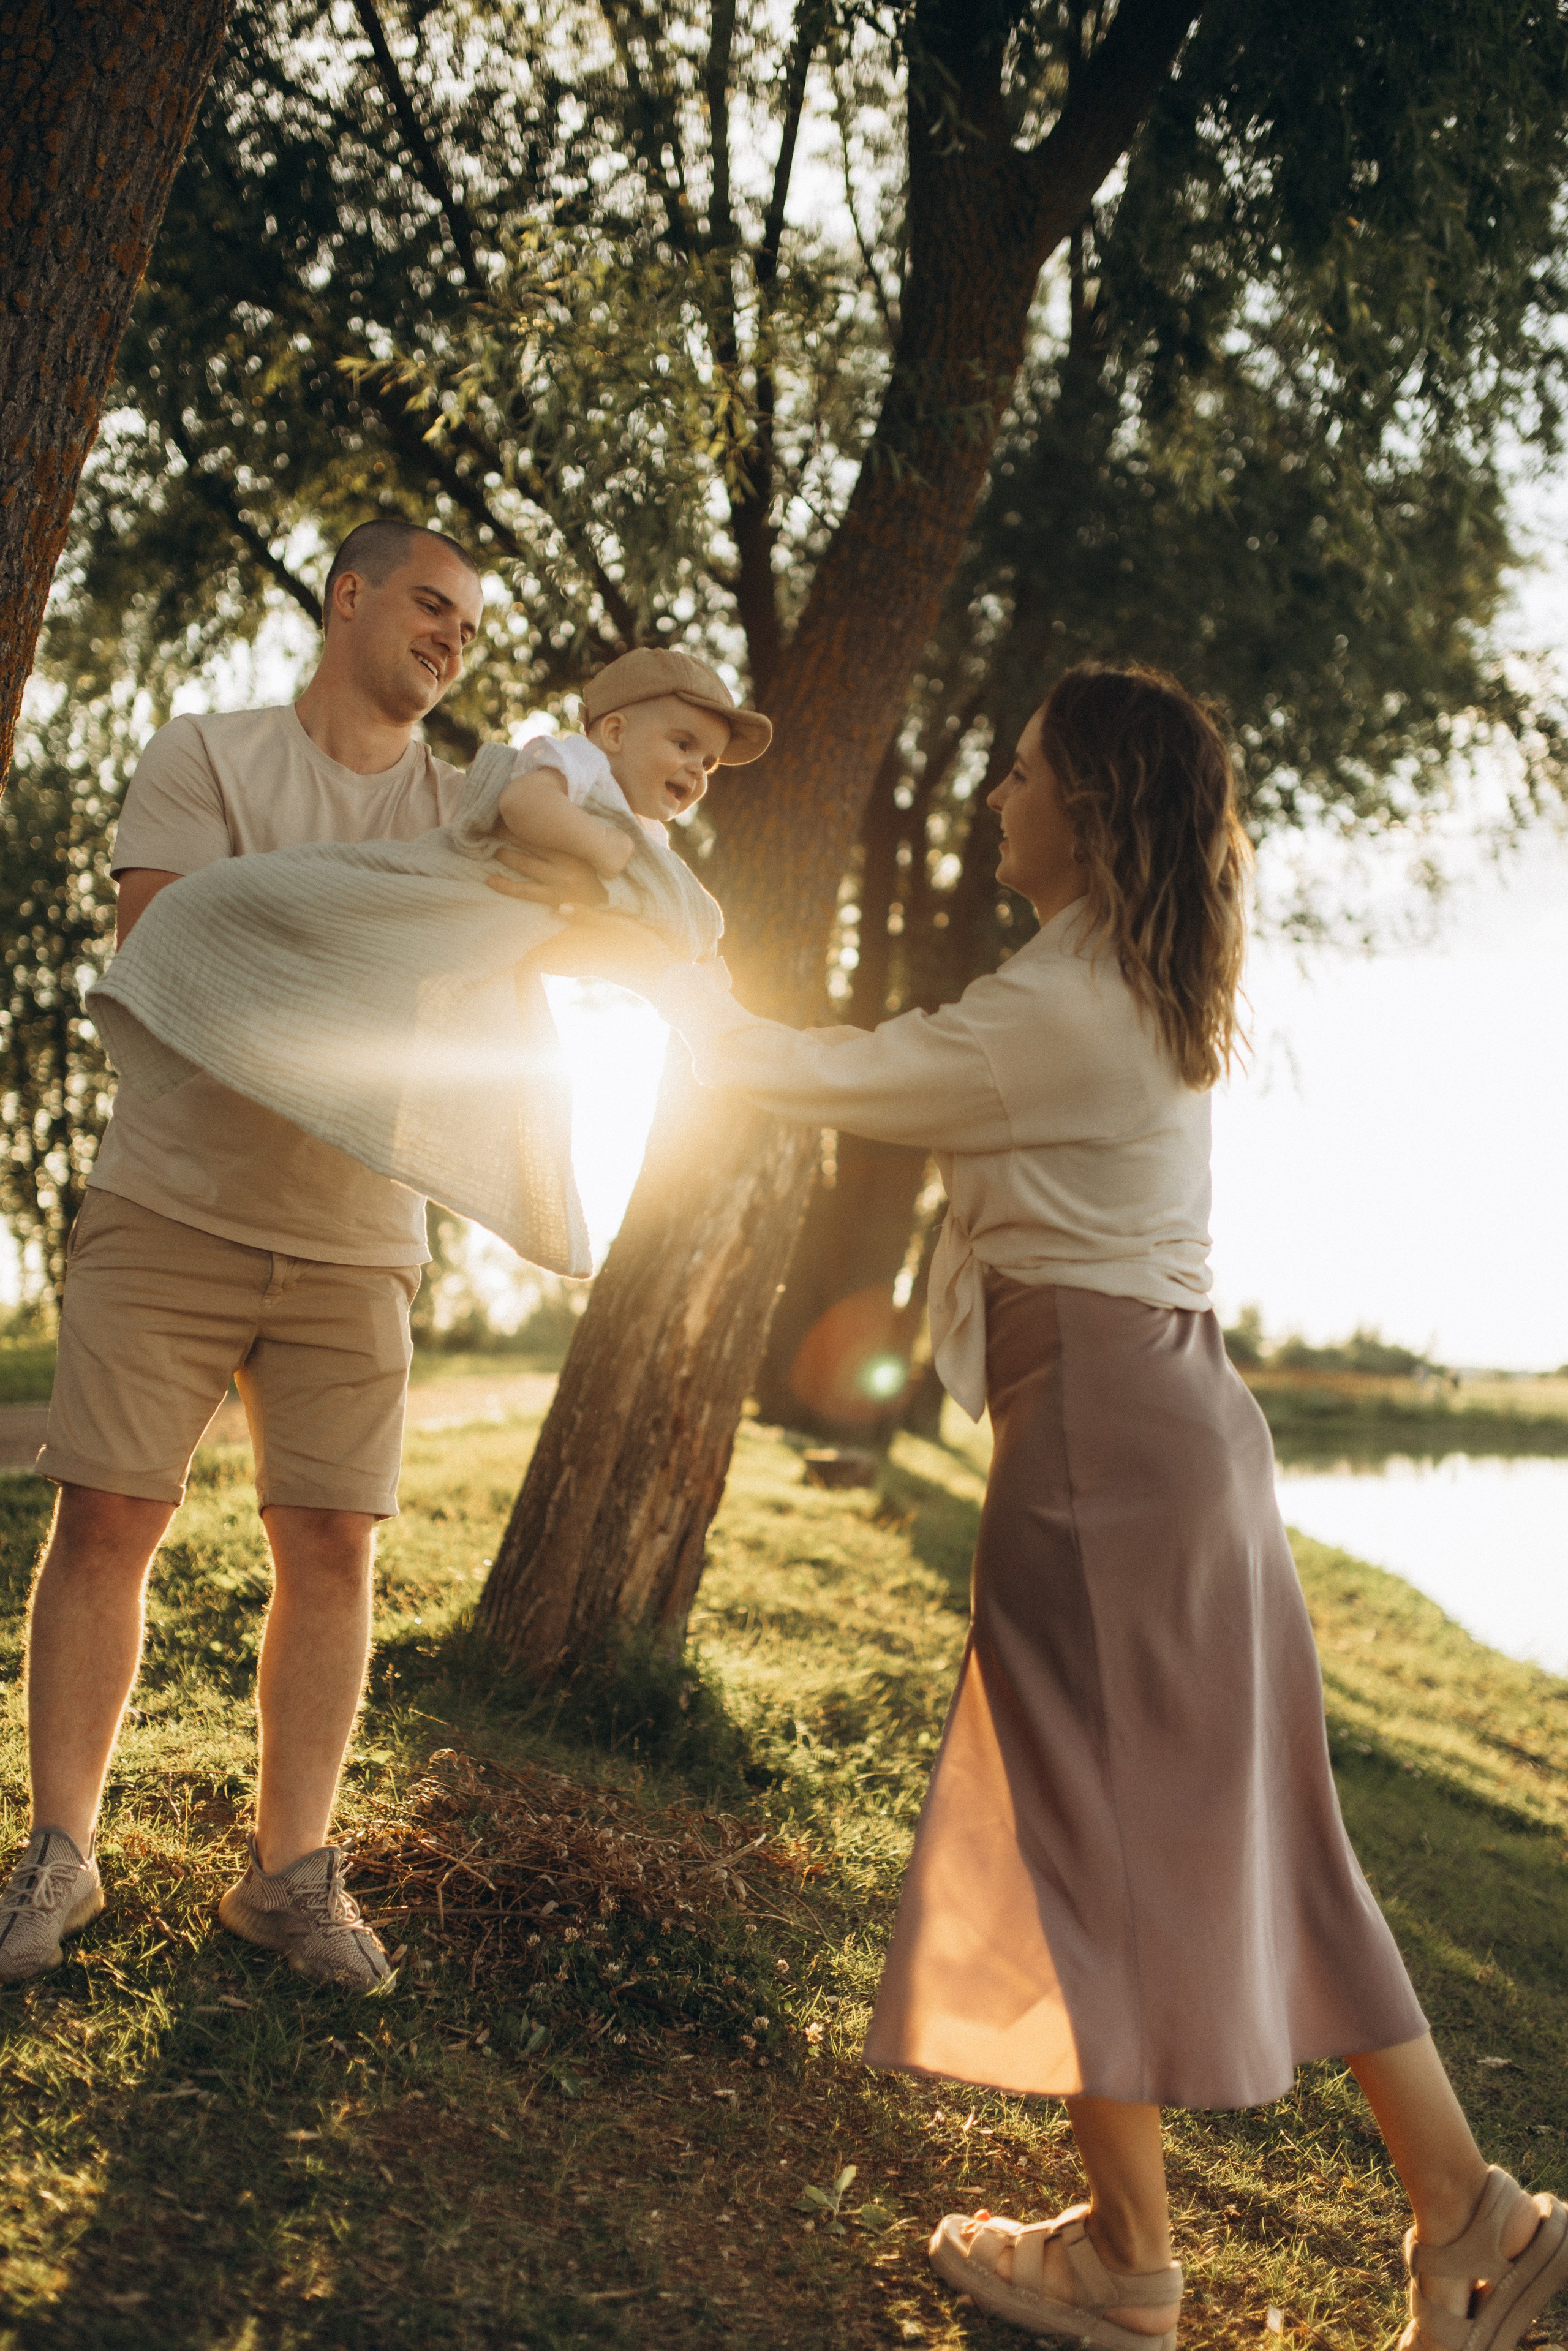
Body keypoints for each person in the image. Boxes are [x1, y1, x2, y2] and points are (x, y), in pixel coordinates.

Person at [500, 663, 1568, 2351]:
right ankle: (1474, 2209)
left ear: (1089, 809)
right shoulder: (1134, 982)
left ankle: (1128, 2262)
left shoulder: (1056, 1011)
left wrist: (653, 945)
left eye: (1016, 773)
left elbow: (811, 1073)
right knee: (1280, 1836)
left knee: (1077, 1831)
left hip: (1103, 1446)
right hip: (1190, 1429)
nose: (993, 796)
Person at [1, 519, 484, 1990]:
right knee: (108, 1521)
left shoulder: (468, 813)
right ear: (349, 597)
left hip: (356, 1233)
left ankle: (287, 1880)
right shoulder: (205, 754)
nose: (453, 635)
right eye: (429, 603)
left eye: (469, 622)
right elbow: (169, 955)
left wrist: (281, 922)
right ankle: (58, 1855)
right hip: (172, 1202)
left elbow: (461, 1008)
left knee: (332, 1546)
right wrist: (377, 945)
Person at [86, 646, 767, 1270]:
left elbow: (643, 926)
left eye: (707, 764)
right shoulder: (579, 766)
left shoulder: (650, 837)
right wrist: (603, 857)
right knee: (308, 896)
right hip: (453, 887)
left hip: (494, 935)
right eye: (683, 745)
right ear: (614, 733)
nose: (695, 773)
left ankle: (732, 1041)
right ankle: (200, 972)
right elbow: (524, 804)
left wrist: (623, 898)